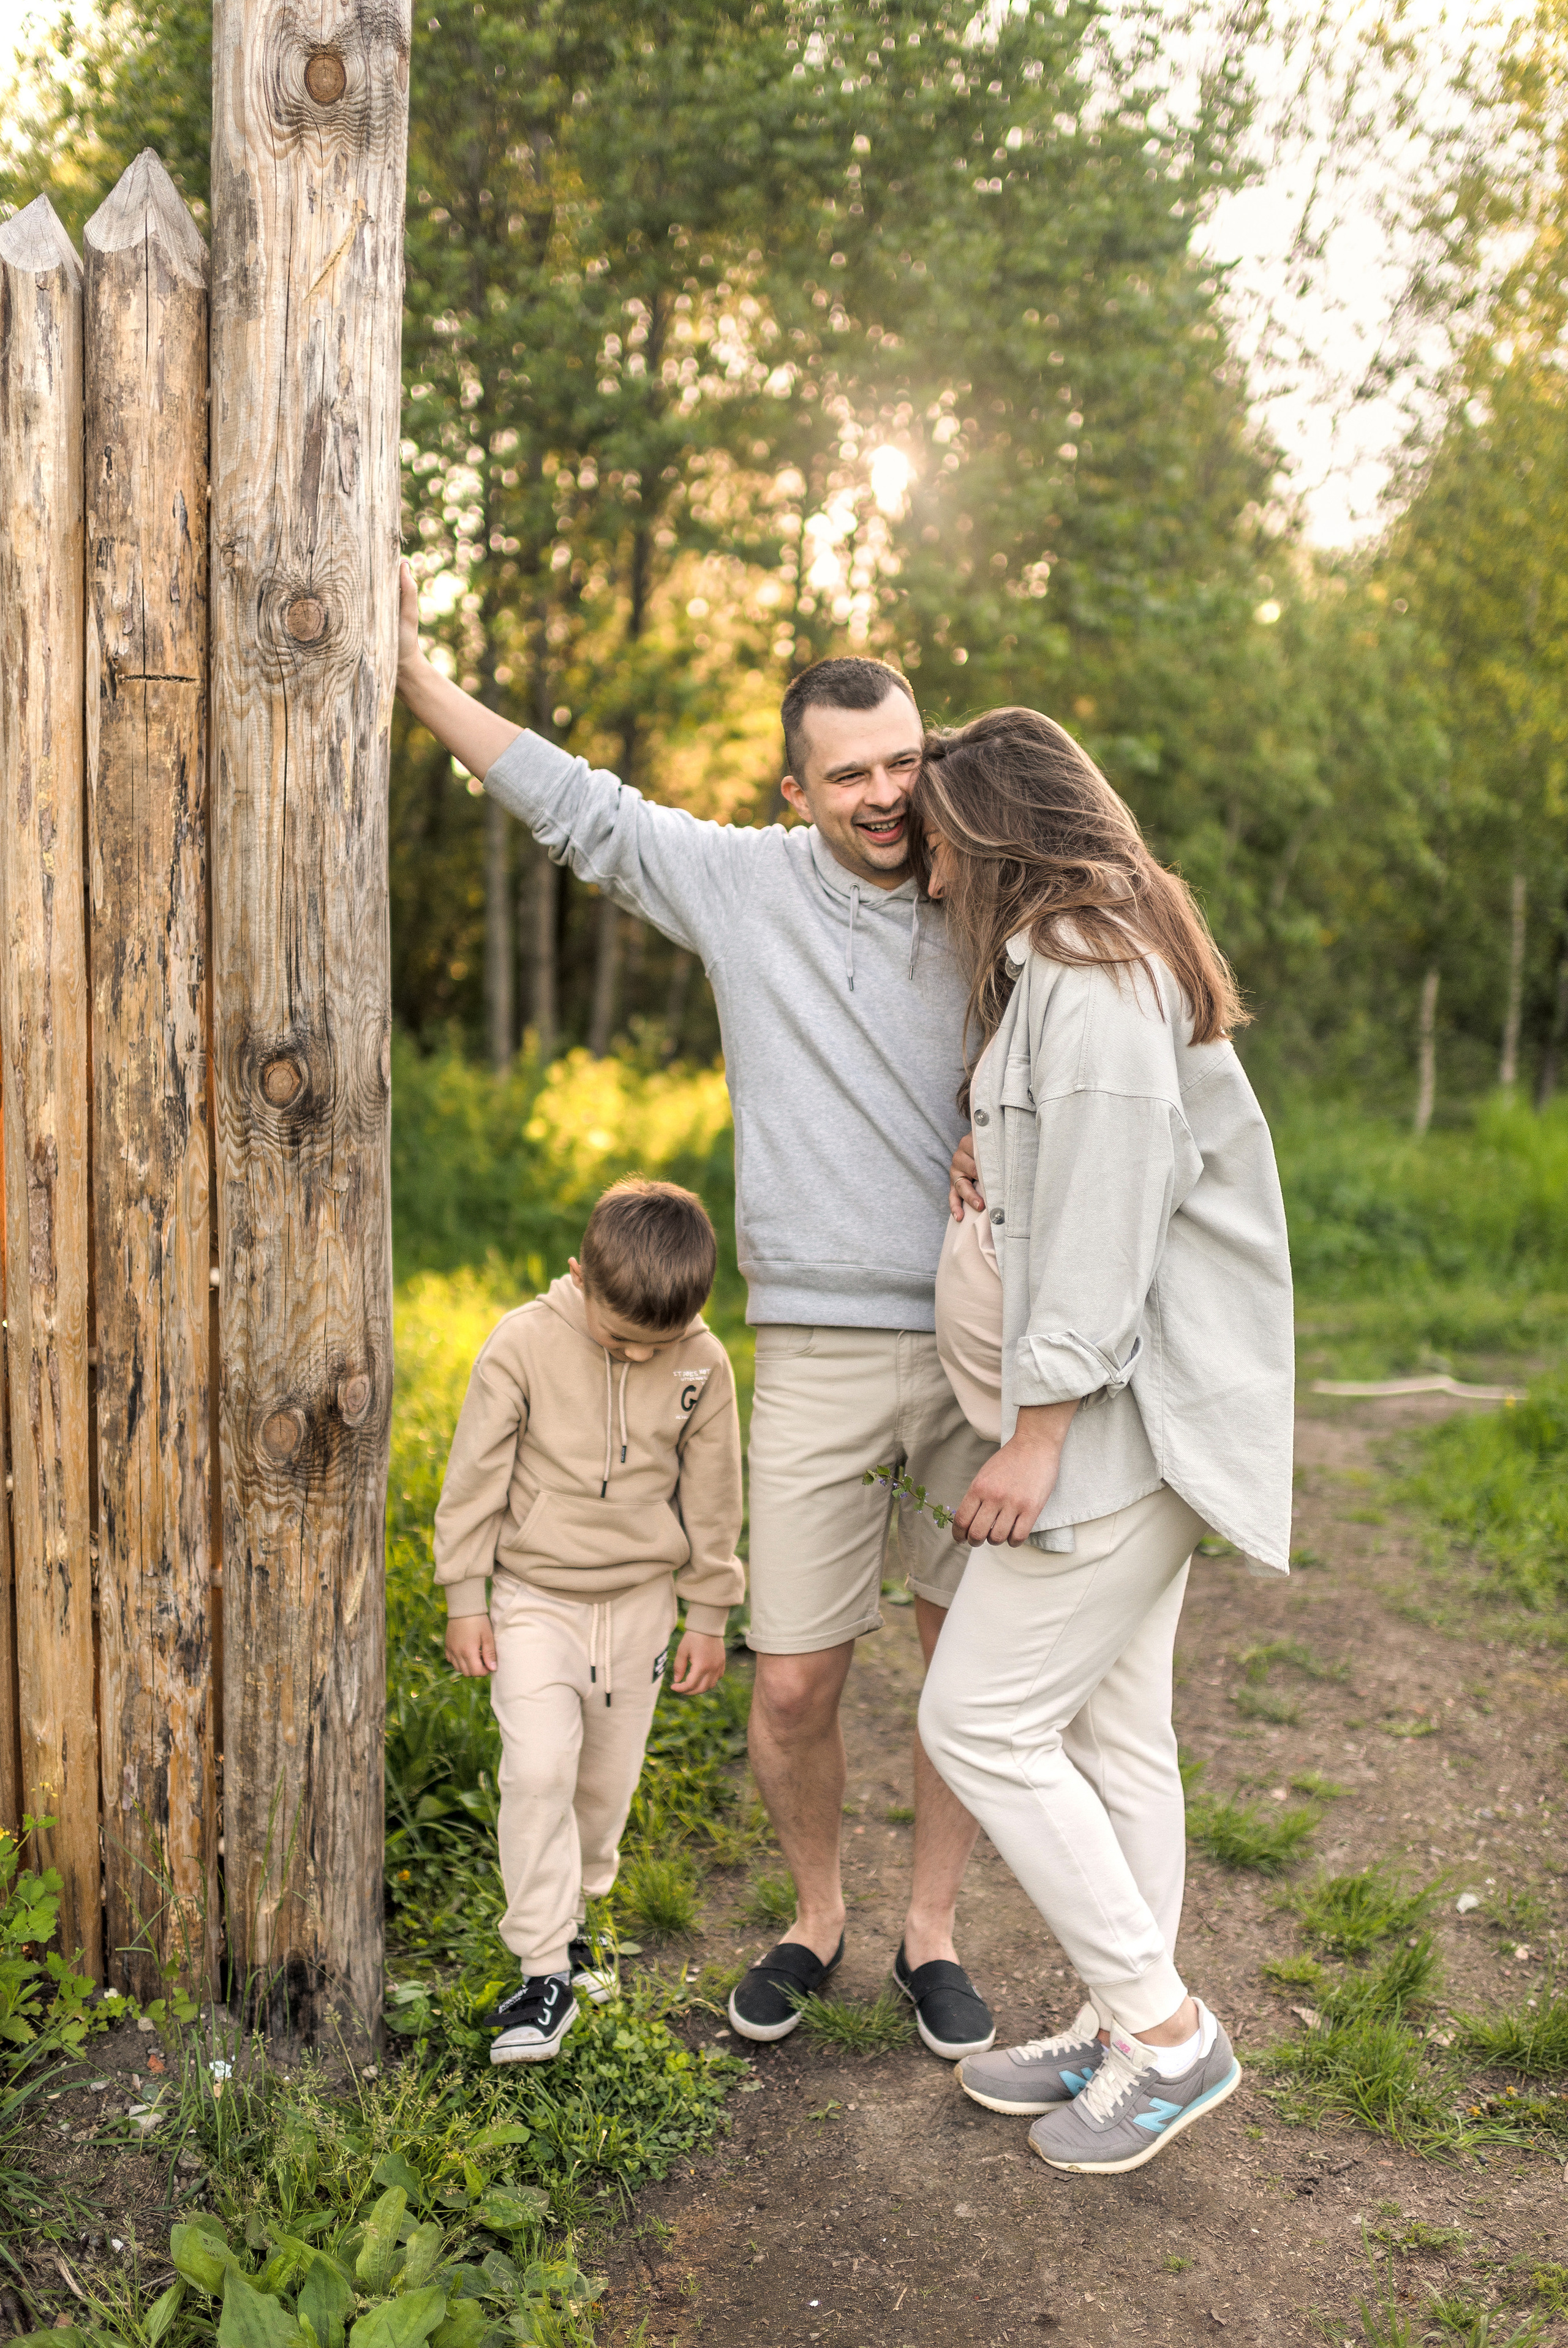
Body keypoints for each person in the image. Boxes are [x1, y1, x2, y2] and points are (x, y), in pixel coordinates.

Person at [396, 563, 997, 2061]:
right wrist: (414, 678)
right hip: (810, 1340)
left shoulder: (987, 884)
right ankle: (817, 1915)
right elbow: (577, 808)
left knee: (963, 1666)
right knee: (790, 1678)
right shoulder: (739, 886)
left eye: (904, 763)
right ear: (792, 788)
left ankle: (931, 1933)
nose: (884, 796)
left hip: (981, 1334)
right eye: (848, 773)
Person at [910, 706, 1294, 2174]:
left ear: (995, 834)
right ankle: (1114, 2023)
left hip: (1115, 1430)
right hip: (1112, 1424)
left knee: (976, 1720)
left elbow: (1103, 1232)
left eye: (940, 843)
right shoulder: (1071, 973)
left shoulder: (1089, 975)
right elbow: (1073, 1169)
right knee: (1115, 1732)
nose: (930, 873)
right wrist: (987, 1153)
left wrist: (1035, 1433)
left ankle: (1168, 2032)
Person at [434, 1177, 744, 2064]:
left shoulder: (703, 1363)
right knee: (537, 1771)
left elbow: (715, 1494)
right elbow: (472, 1477)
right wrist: (466, 1594)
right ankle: (541, 1968)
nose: (641, 1359)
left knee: (604, 1787)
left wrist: (709, 1611)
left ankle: (576, 1922)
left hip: (641, 1608)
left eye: (662, 1345)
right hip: (536, 1599)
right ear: (581, 1277)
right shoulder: (522, 1344)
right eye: (620, 1340)